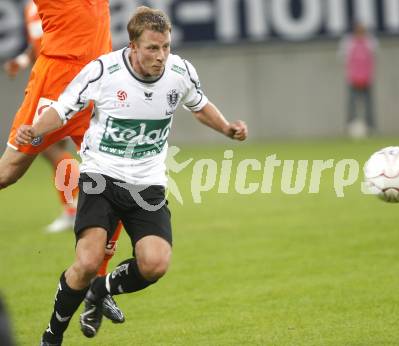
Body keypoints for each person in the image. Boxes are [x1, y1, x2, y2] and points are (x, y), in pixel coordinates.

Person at [16, 6, 248, 345]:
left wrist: (227, 128)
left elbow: (199, 104)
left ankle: (101, 288)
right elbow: (62, 109)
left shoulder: (180, 72)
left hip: (147, 184)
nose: (161, 56)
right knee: (87, 260)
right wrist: (34, 132)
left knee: (155, 263)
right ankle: (52, 335)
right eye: (152, 48)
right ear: (133, 46)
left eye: (166, 46)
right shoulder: (103, 71)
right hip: (101, 177)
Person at [0, 0, 125, 336]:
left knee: (122, 178)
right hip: (57, 82)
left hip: (97, 81)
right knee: (8, 172)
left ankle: (96, 283)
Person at [3, 0, 80, 233]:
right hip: (50, 81)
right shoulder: (31, 8)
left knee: (50, 149)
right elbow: (42, 43)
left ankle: (75, 208)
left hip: (61, 83)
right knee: (53, 150)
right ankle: (75, 206)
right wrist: (23, 60)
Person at [339, 22, 378, 137]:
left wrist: (370, 75)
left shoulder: (371, 42)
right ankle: (350, 127)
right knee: (352, 105)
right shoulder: (348, 42)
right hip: (353, 79)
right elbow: (344, 59)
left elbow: (373, 59)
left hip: (367, 79)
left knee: (369, 105)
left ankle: (371, 128)